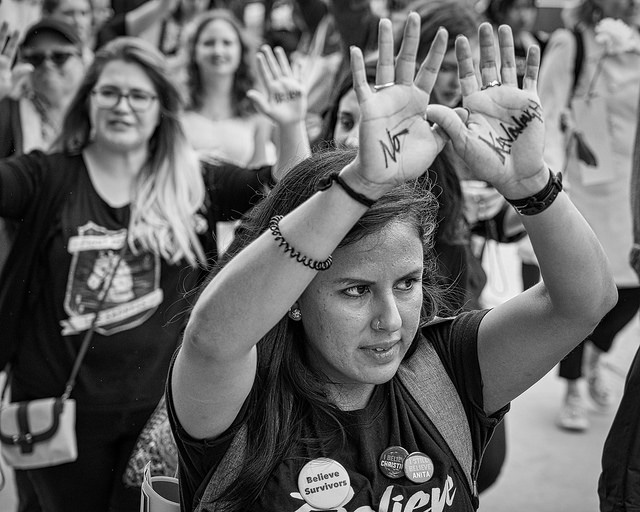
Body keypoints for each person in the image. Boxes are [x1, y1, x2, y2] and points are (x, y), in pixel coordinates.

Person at [167, 14, 617, 511]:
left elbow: (584, 303)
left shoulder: (445, 373)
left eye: (407, 284)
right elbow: (211, 337)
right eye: (355, 290)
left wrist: (532, 185)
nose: (390, 319)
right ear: (291, 298)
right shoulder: (240, 403)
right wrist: (361, 183)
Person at [0, 34, 309, 511]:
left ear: (161, 108)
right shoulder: (47, 176)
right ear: (89, 102)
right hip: (61, 413)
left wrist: (289, 124)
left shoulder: (194, 180)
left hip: (163, 414)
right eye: (109, 92)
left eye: (139, 95)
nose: (123, 105)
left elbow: (291, 196)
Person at [537, 0, 640, 432]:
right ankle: (574, 385)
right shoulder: (572, 44)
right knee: (584, 292)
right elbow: (543, 112)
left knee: (632, 292)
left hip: (632, 194)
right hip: (586, 189)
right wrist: (555, 187)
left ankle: (598, 353)